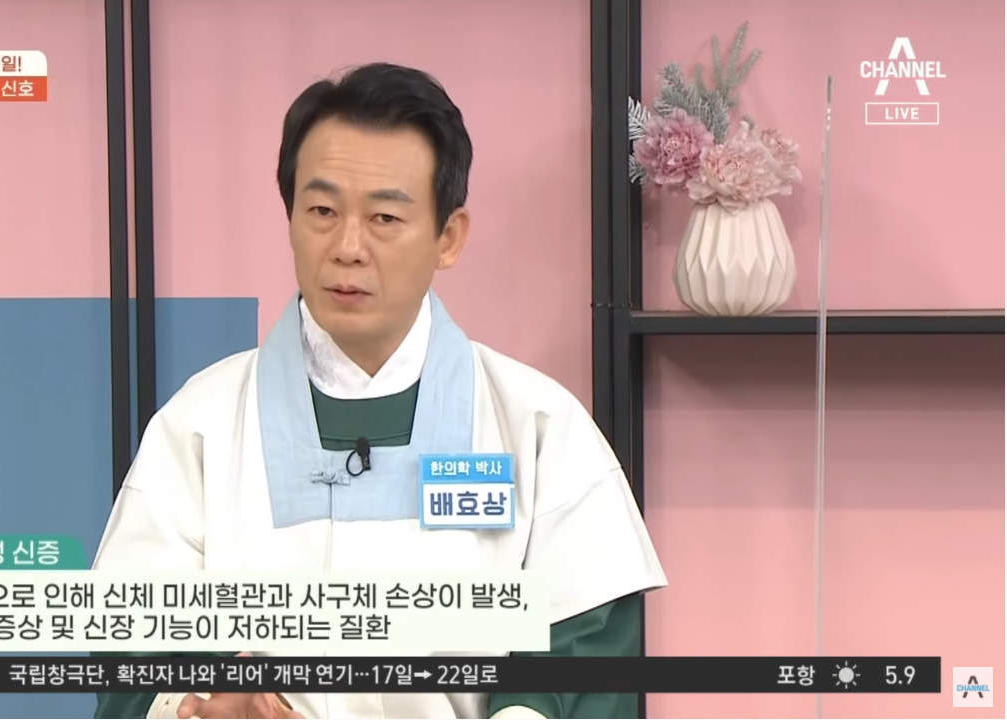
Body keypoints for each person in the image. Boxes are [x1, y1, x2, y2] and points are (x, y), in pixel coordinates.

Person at [93, 62, 666, 720]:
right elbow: (132, 651)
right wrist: (198, 707)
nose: (348, 247)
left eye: (385, 217)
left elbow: (587, 653)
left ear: (448, 237)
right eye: (322, 211)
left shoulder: (540, 429)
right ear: (289, 217)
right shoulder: (199, 427)